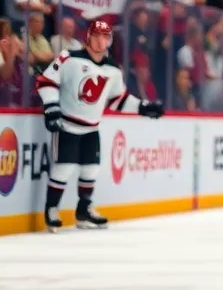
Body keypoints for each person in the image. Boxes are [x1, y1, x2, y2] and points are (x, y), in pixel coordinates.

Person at [37, 20, 164, 231]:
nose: (100, 40)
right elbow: (46, 81)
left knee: (91, 170)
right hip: (67, 125)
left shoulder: (113, 69)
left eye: (105, 36)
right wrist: (51, 107)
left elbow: (117, 100)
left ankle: (84, 210)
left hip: (92, 128)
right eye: (96, 35)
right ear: (88, 36)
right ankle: (51, 209)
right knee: (63, 168)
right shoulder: (69, 57)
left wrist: (143, 107)